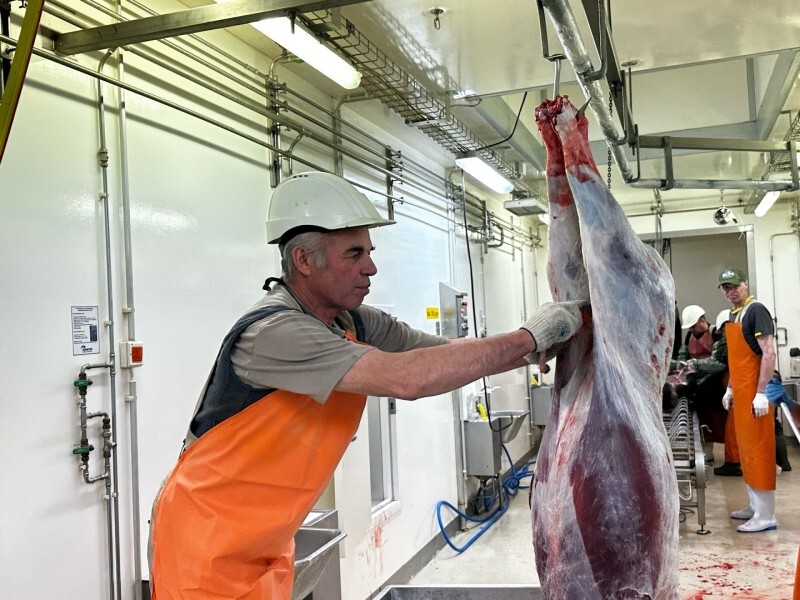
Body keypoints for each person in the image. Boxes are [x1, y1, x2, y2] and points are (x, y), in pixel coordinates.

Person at [146, 172, 584, 599]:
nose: (371, 267)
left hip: (265, 542)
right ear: (303, 260)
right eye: (354, 254)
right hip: (205, 546)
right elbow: (406, 378)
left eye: (369, 252)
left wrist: (544, 344)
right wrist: (528, 338)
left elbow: (443, 354)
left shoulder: (354, 321)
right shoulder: (274, 333)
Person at [718, 267, 778, 533]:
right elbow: (737, 359)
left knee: (760, 450)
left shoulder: (756, 311)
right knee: (746, 451)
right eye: (726, 288)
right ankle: (754, 506)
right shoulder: (734, 315)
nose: (731, 291)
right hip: (742, 395)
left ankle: (766, 515)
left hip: (756, 395)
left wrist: (761, 393)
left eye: (734, 286)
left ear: (745, 284)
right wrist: (730, 389)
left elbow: (769, 353)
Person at [685, 309, 742, 475]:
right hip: (722, 383)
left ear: (702, 320)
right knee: (712, 419)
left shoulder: (721, 338)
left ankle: (736, 462)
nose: (723, 333)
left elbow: (719, 363)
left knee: (730, 423)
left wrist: (696, 364)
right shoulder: (690, 337)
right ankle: (727, 459)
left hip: (724, 382)